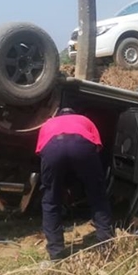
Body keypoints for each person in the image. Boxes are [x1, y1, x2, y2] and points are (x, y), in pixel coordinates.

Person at [36, 108, 114, 262]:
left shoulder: (48, 123)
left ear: (59, 115)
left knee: (51, 200)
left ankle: (56, 252)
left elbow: (41, 152)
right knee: (97, 195)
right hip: (82, 145)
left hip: (52, 147)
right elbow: (97, 147)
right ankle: (105, 244)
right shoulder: (85, 120)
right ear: (74, 113)